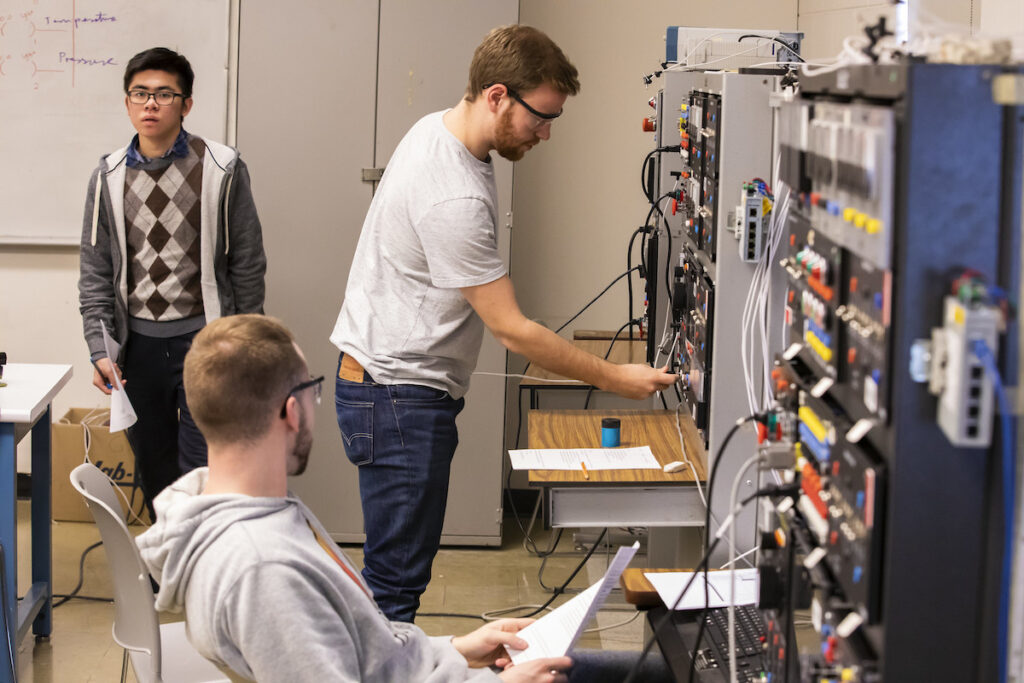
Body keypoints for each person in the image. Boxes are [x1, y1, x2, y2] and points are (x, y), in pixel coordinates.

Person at [330, 24, 678, 622]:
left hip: (387, 383)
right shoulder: (455, 198)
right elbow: (513, 331)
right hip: (396, 395)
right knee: (394, 585)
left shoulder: (440, 130)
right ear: (495, 96)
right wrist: (620, 379)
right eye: (541, 116)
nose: (546, 132)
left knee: (393, 573)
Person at [135, 315, 672, 683]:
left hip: (435, 670)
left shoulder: (250, 509)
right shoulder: (262, 568)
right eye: (313, 391)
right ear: (292, 411)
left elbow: (368, 653)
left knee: (670, 666)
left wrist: (459, 649)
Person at [78, 47, 266, 516]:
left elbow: (247, 263)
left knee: (206, 466)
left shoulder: (222, 169)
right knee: (155, 468)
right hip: (137, 348)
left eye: (164, 94)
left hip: (205, 341)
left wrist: (243, 343)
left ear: (186, 104)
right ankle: (167, 581)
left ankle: (205, 575)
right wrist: (100, 349)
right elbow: (95, 268)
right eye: (140, 93)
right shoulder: (108, 176)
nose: (150, 104)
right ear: (127, 102)